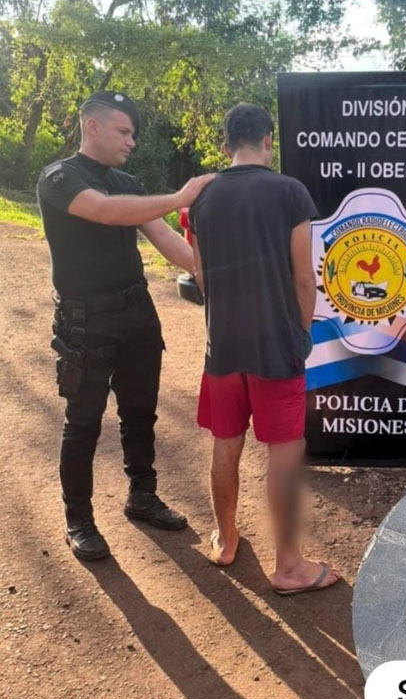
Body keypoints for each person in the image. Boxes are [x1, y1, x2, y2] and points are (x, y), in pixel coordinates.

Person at [37, 90, 215, 562]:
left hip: (136, 312)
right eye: (123, 131)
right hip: (85, 321)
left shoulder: (129, 183)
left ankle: (142, 495)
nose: (131, 141)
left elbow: (165, 239)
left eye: (133, 134)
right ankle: (79, 519)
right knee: (83, 422)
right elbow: (103, 210)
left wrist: (214, 273)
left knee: (140, 410)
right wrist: (179, 197)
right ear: (92, 126)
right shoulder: (59, 178)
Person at [189, 103, 339, 595]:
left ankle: (226, 541)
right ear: (268, 141)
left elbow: (202, 276)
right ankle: (288, 566)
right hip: (276, 347)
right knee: (285, 452)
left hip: (222, 347)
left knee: (225, 443)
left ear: (226, 145)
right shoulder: (290, 192)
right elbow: (304, 278)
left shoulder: (202, 197)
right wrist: (301, 334)